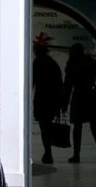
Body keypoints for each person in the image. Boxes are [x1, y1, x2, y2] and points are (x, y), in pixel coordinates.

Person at [32, 32, 64, 164]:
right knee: (48, 127)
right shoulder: (53, 63)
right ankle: (48, 152)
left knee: (44, 128)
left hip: (41, 99)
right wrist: (60, 103)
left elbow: (32, 82)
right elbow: (59, 84)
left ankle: (48, 152)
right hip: (52, 100)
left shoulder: (36, 63)